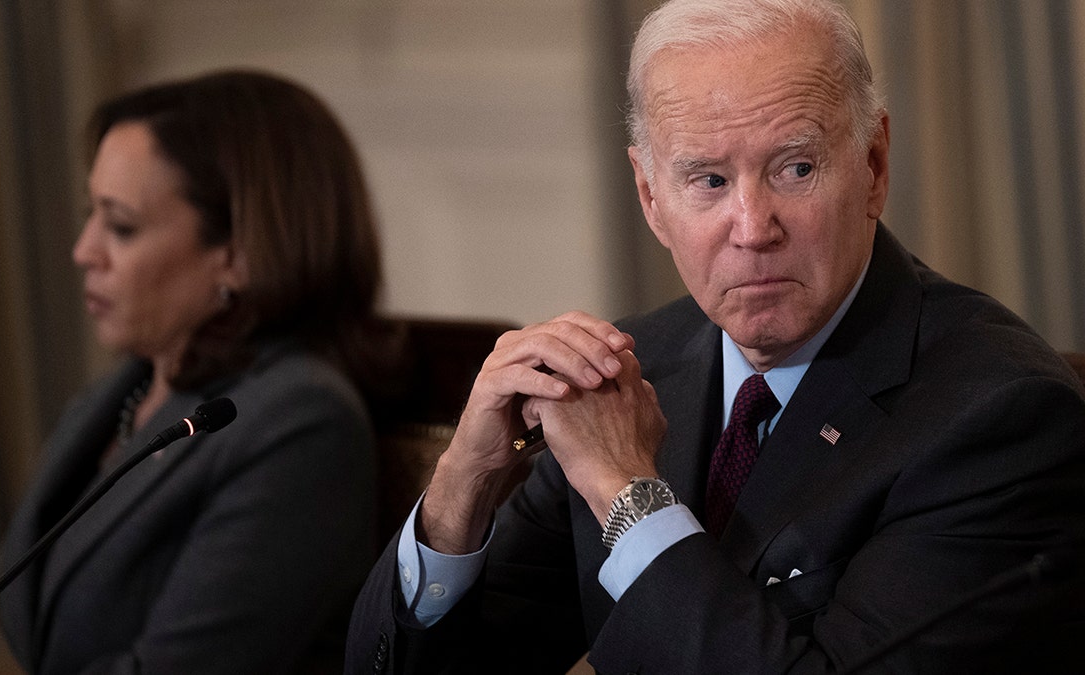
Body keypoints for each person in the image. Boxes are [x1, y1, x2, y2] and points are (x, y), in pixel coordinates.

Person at [344, 0, 1085, 673]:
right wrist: (460, 488)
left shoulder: (1002, 415)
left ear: (873, 167)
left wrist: (625, 492)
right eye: (708, 180)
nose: (754, 228)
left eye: (795, 168)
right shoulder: (630, 371)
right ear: (651, 198)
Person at [0, 70, 391, 674]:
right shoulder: (130, 386)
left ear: (238, 253)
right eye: (90, 214)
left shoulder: (303, 423)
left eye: (121, 225)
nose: (83, 250)